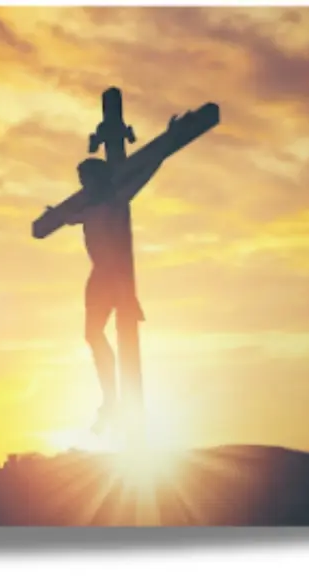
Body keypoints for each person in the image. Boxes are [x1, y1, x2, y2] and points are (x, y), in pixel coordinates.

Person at [65, 119, 177, 434]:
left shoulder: (114, 202)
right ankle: (110, 400)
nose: (83, 185)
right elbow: (61, 217)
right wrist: (52, 214)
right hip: (98, 277)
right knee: (92, 335)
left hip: (116, 277)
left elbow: (144, 172)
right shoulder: (86, 209)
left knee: (122, 332)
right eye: (81, 180)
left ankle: (121, 401)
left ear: (99, 179)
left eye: (87, 179)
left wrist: (168, 141)